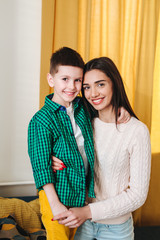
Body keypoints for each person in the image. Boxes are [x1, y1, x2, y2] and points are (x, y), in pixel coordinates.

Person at [52, 57, 151, 240]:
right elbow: (65, 152)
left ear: (114, 84)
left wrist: (88, 211)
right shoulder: (83, 124)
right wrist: (53, 158)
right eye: (87, 87)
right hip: (81, 224)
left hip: (116, 229)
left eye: (100, 84)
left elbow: (137, 195)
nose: (93, 93)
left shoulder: (137, 131)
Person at [28, 47, 96, 240]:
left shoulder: (84, 107)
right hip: (56, 193)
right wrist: (54, 203)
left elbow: (105, 108)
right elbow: (41, 167)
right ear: (51, 80)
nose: (72, 86)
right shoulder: (41, 120)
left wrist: (121, 111)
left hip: (81, 191)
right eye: (65, 79)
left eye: (77, 80)